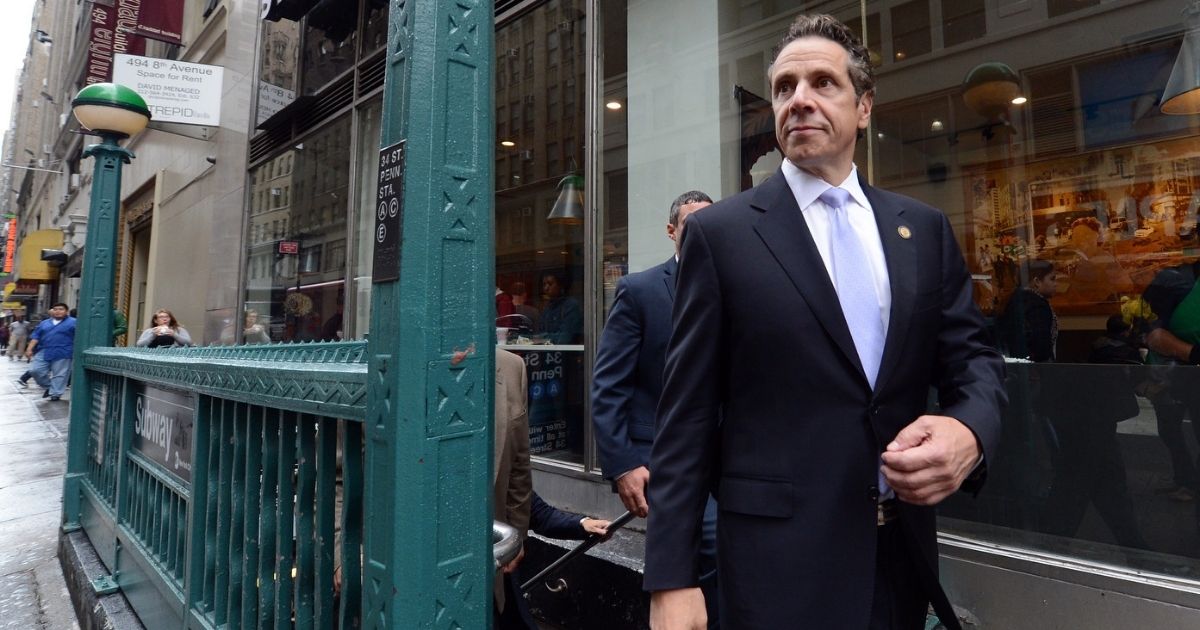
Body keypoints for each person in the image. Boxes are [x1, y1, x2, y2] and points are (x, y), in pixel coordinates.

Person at [644, 15, 1005, 630]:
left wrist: (970, 433)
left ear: (863, 106)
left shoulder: (920, 229)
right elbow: (688, 415)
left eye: (822, 83)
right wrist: (671, 577)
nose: (799, 100)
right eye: (785, 88)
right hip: (777, 568)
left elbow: (973, 361)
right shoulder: (722, 234)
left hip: (902, 558)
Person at [591, 190, 720, 626]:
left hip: (730, 458)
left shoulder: (734, 286)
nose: (703, 233)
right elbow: (609, 385)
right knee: (704, 548)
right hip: (661, 461)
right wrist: (622, 463)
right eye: (691, 224)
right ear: (672, 231)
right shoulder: (640, 290)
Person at [494, 347, 533, 623]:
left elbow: (519, 464)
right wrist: (343, 555)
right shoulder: (391, 359)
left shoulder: (512, 367)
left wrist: (517, 535)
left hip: (489, 563)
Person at [997, 259, 1059, 362]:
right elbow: (1041, 348)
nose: (1056, 284)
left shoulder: (1014, 299)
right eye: (1052, 279)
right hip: (1036, 370)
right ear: (1037, 282)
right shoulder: (1038, 307)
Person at [22, 303, 76, 401]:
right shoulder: (45, 323)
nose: (58, 311)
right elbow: (35, 336)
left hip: (63, 351)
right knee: (35, 370)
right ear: (52, 311)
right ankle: (49, 387)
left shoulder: (73, 322)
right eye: (55, 309)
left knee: (60, 374)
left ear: (66, 311)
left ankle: (55, 393)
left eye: (61, 309)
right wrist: (29, 349)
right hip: (44, 350)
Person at [537, 272, 582, 344]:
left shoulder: (570, 305)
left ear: (560, 285)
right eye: (544, 284)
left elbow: (565, 337)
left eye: (550, 284)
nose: (546, 288)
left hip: (566, 353)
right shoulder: (547, 307)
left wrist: (542, 338)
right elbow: (540, 332)